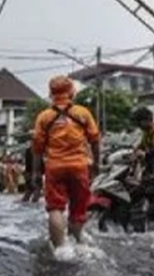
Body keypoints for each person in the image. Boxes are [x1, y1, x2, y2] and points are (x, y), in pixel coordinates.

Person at [31, 75, 102, 248]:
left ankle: (61, 250)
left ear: (51, 94)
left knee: (55, 208)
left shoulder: (44, 117)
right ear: (72, 92)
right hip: (79, 166)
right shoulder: (83, 113)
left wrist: (35, 172)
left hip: (55, 168)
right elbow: (95, 140)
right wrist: (96, 164)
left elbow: (37, 148)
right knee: (78, 209)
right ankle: (77, 244)